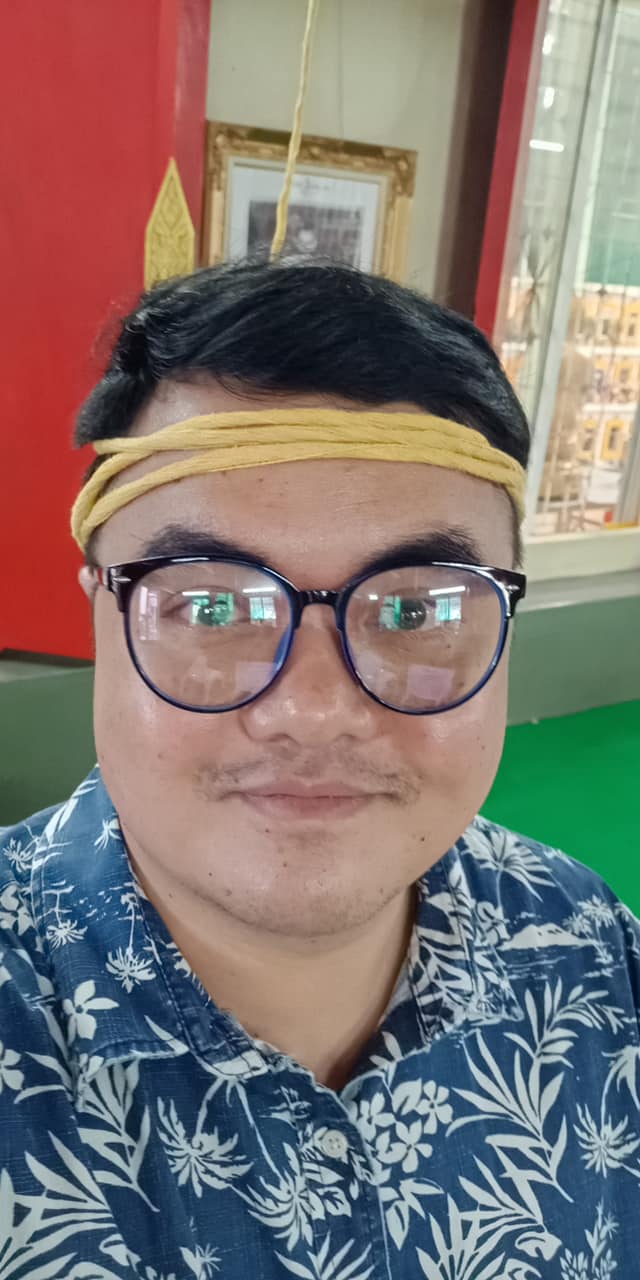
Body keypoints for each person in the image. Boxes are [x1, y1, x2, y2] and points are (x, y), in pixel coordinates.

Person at [1, 260, 638, 1280]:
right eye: (212, 605)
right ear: (100, 619)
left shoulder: (591, 948)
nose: (312, 710)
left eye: (416, 608)